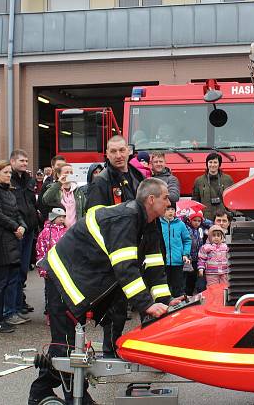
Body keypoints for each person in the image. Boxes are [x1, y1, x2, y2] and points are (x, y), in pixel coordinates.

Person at [28, 178, 180, 405]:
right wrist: (146, 304)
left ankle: (40, 392)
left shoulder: (149, 222)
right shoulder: (126, 219)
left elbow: (155, 266)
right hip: (65, 278)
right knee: (68, 346)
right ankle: (76, 399)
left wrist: (166, 301)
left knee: (65, 344)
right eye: (166, 197)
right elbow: (125, 266)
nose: (170, 201)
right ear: (151, 199)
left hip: (81, 278)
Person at [84, 135, 145, 358]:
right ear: (107, 154)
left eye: (122, 150)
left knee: (140, 300)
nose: (118, 155)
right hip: (114, 253)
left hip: (137, 249)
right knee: (116, 307)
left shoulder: (138, 176)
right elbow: (94, 218)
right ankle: (110, 351)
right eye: (113, 152)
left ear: (129, 151)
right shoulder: (102, 181)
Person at [0, 160, 28, 333]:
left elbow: (17, 213)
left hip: (12, 241)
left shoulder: (9, 192)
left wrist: (22, 225)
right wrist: (15, 226)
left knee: (9, 281)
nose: (9, 175)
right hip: (1, 242)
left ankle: (0, 318)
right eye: (5, 173)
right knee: (0, 283)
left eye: (10, 173)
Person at [10, 150, 39, 318]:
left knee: (23, 268)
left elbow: (31, 204)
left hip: (29, 229)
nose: (25, 163)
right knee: (15, 268)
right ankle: (14, 304)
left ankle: (20, 300)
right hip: (17, 231)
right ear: (12, 161)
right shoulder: (9, 179)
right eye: (21, 160)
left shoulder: (29, 180)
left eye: (26, 160)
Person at [35, 208, 68, 326]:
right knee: (51, 294)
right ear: (54, 218)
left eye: (64, 217)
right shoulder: (45, 233)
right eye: (60, 217)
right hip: (50, 269)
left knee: (64, 293)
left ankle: (64, 315)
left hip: (64, 269)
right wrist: (43, 268)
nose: (62, 219)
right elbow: (41, 250)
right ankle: (51, 315)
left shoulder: (66, 231)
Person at [160, 202, 191, 297]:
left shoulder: (180, 224)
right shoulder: (158, 224)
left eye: (172, 209)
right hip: (163, 261)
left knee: (178, 287)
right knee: (163, 287)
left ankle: (179, 306)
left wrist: (185, 254)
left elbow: (187, 240)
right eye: (167, 209)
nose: (170, 212)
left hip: (177, 261)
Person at [41, 163, 86, 228]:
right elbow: (45, 200)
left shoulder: (78, 191)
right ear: (59, 175)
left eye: (71, 172)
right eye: (66, 172)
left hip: (76, 230)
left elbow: (84, 210)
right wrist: (59, 183)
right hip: (59, 230)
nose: (69, 174)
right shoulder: (54, 188)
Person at [192, 153, 234, 221]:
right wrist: (198, 215)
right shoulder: (199, 181)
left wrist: (231, 213)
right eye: (210, 162)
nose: (212, 165)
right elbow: (195, 200)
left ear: (219, 164)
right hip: (206, 219)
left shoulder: (227, 179)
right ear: (207, 164)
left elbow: (232, 198)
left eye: (215, 162)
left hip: (222, 219)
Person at [184, 210, 205, 296]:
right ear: (190, 220)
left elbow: (210, 224)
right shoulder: (186, 228)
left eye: (199, 221)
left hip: (198, 258)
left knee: (194, 278)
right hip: (189, 258)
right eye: (194, 220)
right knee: (188, 278)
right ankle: (187, 293)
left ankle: (192, 293)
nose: (196, 223)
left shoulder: (200, 230)